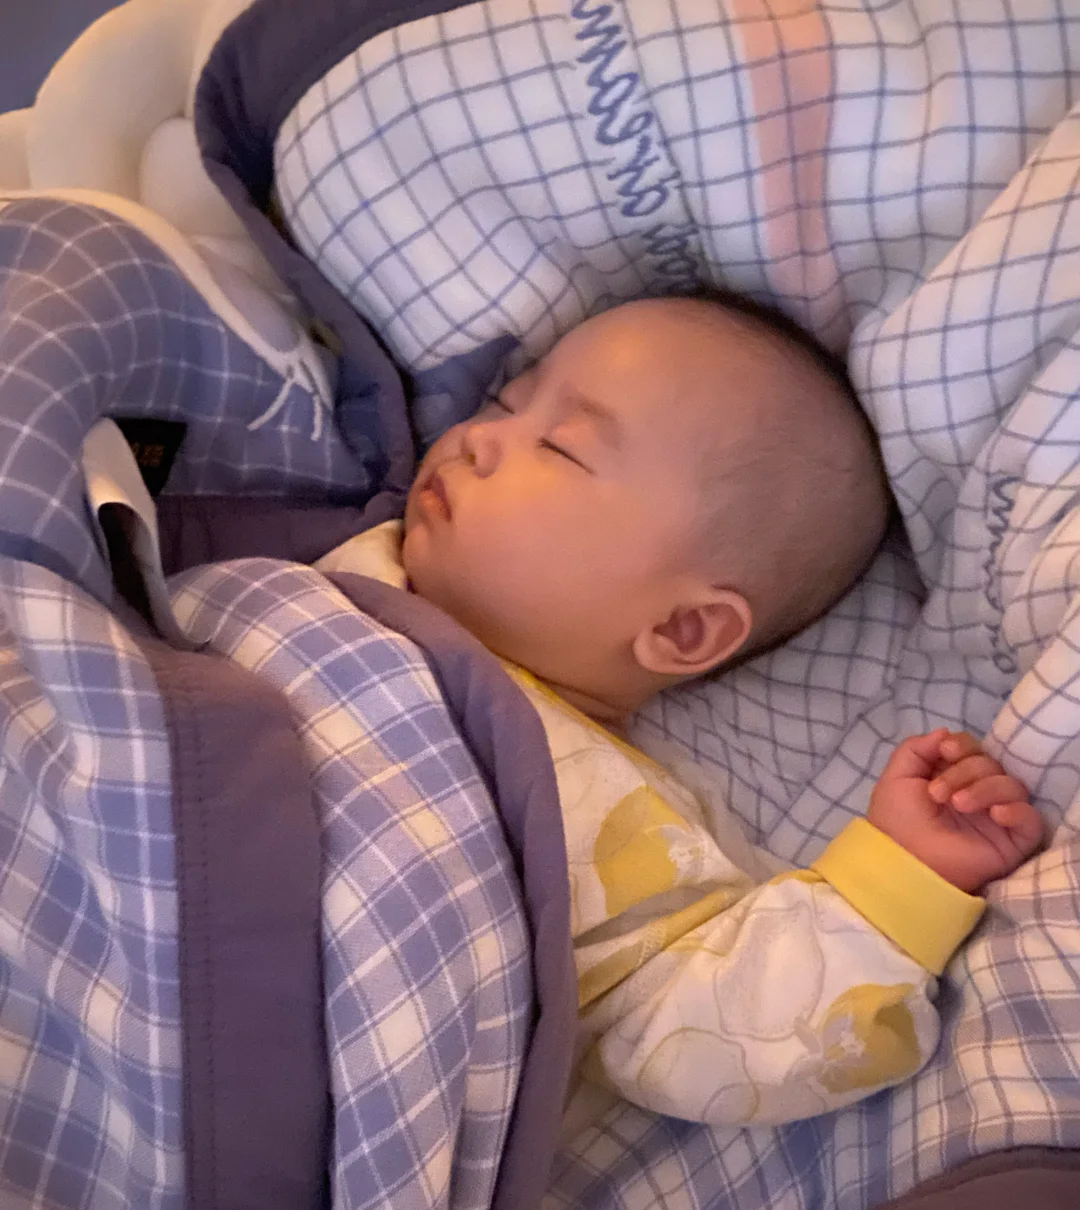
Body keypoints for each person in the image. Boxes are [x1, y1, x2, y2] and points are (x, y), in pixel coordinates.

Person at [316, 295, 1043, 1125]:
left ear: (682, 628)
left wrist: (898, 883)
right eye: (504, 404)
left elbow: (718, 1035)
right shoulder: (330, 554)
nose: (478, 438)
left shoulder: (615, 825)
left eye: (559, 447)